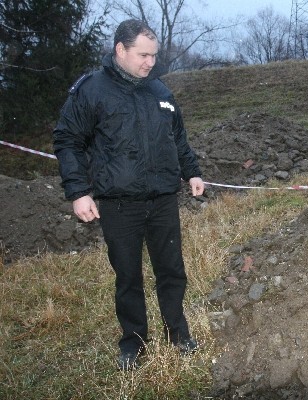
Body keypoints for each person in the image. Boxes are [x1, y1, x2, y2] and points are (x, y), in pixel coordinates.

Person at [53, 19, 204, 371]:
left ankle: (177, 332)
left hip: (164, 198)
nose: (150, 62)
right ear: (120, 50)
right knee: (128, 275)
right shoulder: (92, 90)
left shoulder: (161, 92)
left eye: (154, 55)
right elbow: (67, 140)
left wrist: (192, 170)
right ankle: (133, 342)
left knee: (171, 269)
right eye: (143, 55)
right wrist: (78, 192)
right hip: (119, 203)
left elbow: (177, 137)